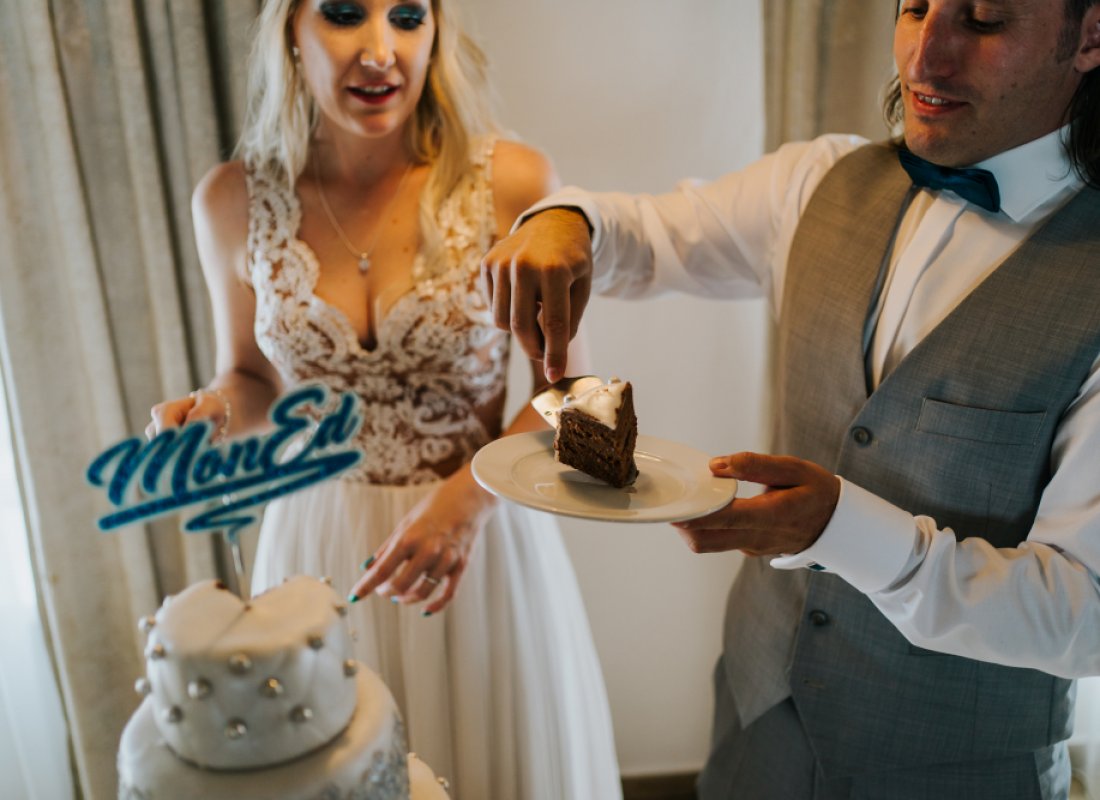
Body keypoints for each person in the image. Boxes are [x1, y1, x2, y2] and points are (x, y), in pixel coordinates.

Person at [482, 0, 1100, 797]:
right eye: (914, 8)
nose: (924, 58)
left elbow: (1082, 614)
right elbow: (646, 234)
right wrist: (569, 220)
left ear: (1090, 34)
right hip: (756, 718)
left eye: (981, 21)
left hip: (956, 770)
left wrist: (842, 530)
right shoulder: (819, 180)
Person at [146, 1, 622, 797]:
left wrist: (467, 502)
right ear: (290, 31)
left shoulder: (514, 184)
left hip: (477, 542)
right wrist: (211, 412)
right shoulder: (231, 200)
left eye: (406, 16)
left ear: (436, 32)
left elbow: (575, 396)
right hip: (318, 545)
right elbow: (252, 379)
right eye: (343, 13)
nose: (380, 51)